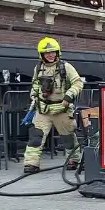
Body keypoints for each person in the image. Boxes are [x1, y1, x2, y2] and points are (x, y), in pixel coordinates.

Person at [23, 37, 85, 174]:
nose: (50, 55)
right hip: (43, 109)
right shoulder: (38, 68)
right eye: (47, 53)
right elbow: (35, 84)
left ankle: (75, 159)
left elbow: (78, 83)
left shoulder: (66, 67)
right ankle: (31, 163)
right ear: (42, 55)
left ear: (58, 53)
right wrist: (34, 94)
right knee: (36, 136)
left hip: (62, 109)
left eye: (53, 52)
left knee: (68, 137)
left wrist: (68, 97)